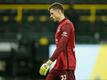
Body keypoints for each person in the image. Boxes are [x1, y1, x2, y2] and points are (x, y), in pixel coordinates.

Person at [39, 2, 76, 80]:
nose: (51, 16)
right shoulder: (61, 25)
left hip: (66, 66)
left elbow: (61, 45)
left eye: (52, 13)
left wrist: (49, 62)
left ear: (59, 11)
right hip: (58, 66)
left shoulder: (67, 25)